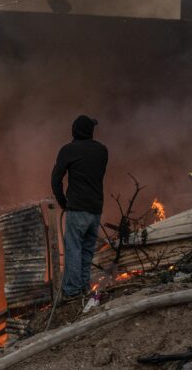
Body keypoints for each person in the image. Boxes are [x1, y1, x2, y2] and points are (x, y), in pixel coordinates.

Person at [51, 115, 109, 298]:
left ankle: (72, 291)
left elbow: (55, 180)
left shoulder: (68, 150)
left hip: (77, 209)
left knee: (74, 249)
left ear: (73, 131)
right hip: (96, 209)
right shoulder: (102, 150)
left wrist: (64, 203)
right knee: (87, 250)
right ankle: (84, 287)